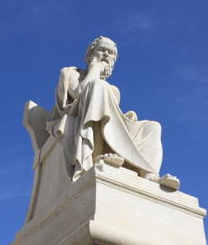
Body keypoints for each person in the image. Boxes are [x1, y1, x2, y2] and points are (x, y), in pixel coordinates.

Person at [46, 36, 178, 189]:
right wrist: (96, 68)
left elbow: (109, 118)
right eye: (102, 50)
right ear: (90, 54)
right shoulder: (70, 73)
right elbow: (79, 93)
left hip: (98, 119)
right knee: (98, 86)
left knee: (152, 126)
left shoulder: (112, 90)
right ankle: (95, 157)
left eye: (111, 53)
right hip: (75, 118)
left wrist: (126, 118)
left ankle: (149, 173)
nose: (106, 56)